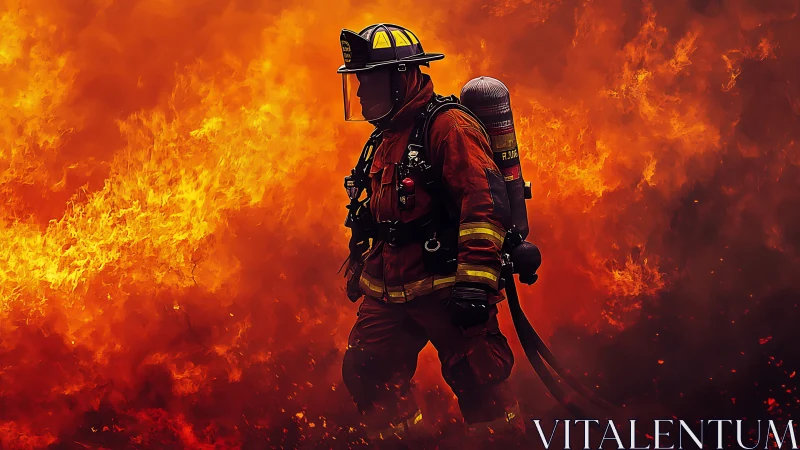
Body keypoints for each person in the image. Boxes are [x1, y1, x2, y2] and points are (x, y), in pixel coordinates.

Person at [337, 23, 524, 441]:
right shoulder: (386, 136)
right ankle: (408, 442)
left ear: (402, 77)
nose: (362, 93)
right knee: (367, 371)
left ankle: (505, 440)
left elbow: (484, 205)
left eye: (370, 81)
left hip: (446, 288)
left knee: (478, 380)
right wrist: (362, 264)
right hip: (392, 290)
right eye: (358, 82)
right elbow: (383, 215)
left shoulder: (448, 128)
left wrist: (474, 285)